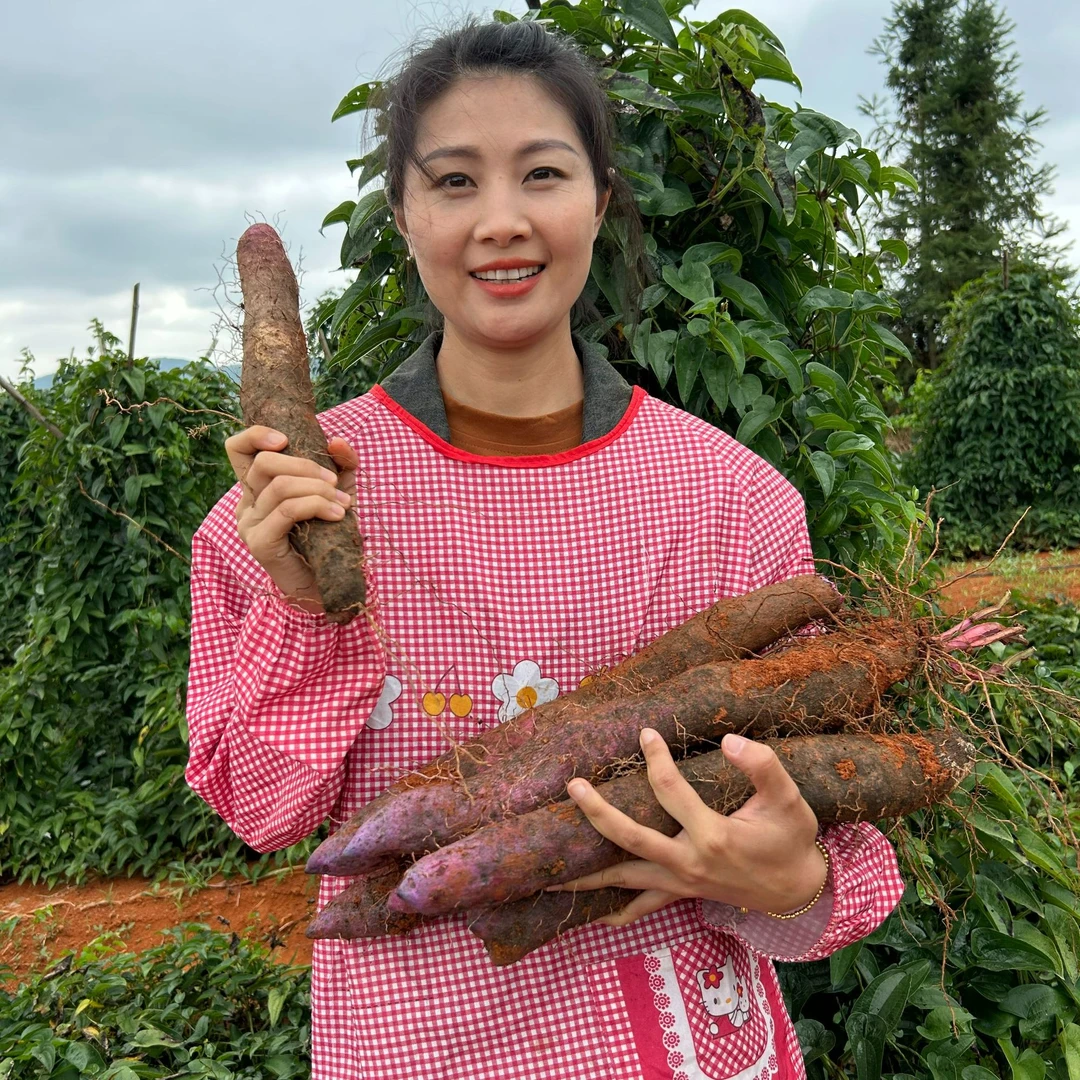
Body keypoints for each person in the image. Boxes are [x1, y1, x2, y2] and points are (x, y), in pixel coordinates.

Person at [185, 18, 904, 1080]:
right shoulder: (287, 515)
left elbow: (828, 861)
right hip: (410, 1052)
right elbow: (263, 811)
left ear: (601, 199)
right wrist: (302, 605)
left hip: (686, 1046)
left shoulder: (732, 499)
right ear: (404, 214)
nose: (504, 222)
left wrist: (790, 882)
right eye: (457, 182)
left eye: (544, 174)